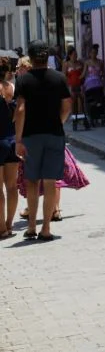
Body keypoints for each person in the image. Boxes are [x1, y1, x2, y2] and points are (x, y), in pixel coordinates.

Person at [14, 40, 71, 241]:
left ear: (31, 58)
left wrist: (18, 139)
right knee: (49, 182)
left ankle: (31, 227)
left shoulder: (23, 80)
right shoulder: (59, 78)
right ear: (47, 57)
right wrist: (59, 122)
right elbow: (67, 106)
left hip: (31, 136)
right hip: (54, 134)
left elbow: (20, 110)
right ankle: (46, 228)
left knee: (31, 181)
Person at [0, 57, 18, 239]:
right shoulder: (11, 88)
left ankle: (1, 228)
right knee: (11, 186)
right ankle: (9, 224)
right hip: (11, 139)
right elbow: (18, 112)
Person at [62, 46, 86, 128]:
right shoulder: (66, 64)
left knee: (81, 100)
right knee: (73, 102)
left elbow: (83, 74)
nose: (75, 56)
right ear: (70, 55)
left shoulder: (80, 63)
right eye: (74, 55)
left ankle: (82, 118)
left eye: (76, 54)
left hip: (79, 85)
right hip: (71, 86)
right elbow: (64, 76)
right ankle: (74, 119)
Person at [83, 43, 105, 125]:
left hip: (98, 83)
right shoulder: (87, 62)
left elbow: (103, 74)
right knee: (90, 100)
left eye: (95, 52)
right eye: (92, 53)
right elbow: (84, 73)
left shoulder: (100, 62)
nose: (94, 54)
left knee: (99, 100)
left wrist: (103, 83)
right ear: (90, 53)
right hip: (89, 84)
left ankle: (98, 115)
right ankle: (91, 116)